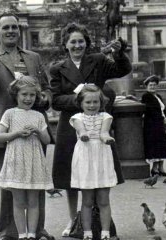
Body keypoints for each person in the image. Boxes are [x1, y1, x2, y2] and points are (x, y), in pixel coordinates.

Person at [49, 22, 131, 236]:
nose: (77, 45)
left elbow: (122, 69)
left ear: (86, 43)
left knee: (98, 172)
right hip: (72, 125)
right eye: (72, 42)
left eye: (81, 41)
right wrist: (82, 98)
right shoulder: (57, 68)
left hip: (97, 127)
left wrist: (120, 52)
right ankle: (72, 220)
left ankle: (99, 221)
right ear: (65, 44)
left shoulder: (98, 60)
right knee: (70, 176)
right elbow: (56, 100)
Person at [0, 12, 53, 240]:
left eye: (14, 27)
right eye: (6, 28)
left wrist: (46, 99)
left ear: (19, 30)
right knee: (7, 185)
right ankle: (8, 232)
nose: (10, 31)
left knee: (36, 183)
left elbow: (46, 87)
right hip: (4, 128)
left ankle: (36, 230)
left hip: (33, 129)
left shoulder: (33, 57)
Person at [0, 76, 53, 240]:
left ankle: (32, 234)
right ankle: (22, 234)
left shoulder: (38, 116)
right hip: (17, 161)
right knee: (19, 201)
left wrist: (37, 130)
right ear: (16, 95)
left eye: (32, 95)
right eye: (24, 94)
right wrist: (16, 133)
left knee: (34, 201)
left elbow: (47, 140)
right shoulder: (10, 114)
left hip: (34, 161)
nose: (28, 98)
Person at [70, 84, 117, 240]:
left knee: (104, 199)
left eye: (95, 102)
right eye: (88, 102)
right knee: (87, 200)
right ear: (81, 103)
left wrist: (106, 138)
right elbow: (81, 130)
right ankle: (87, 232)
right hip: (85, 158)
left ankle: (105, 232)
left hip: (101, 156)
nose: (92, 105)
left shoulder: (106, 117)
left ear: (101, 102)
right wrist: (83, 134)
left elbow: (103, 132)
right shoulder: (77, 117)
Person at [141, 75, 166, 177]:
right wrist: (163, 119)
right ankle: (154, 169)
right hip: (152, 125)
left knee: (163, 146)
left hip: (161, 125)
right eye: (150, 85)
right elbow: (150, 110)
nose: (152, 87)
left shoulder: (158, 96)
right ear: (147, 86)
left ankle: (161, 168)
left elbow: (164, 110)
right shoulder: (146, 96)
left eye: (154, 85)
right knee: (155, 146)